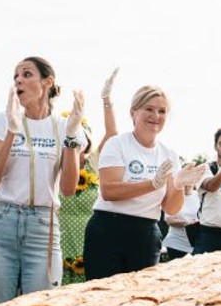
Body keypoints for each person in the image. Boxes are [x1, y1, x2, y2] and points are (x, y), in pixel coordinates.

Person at [0, 58, 83, 306]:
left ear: (47, 82)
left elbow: (68, 189)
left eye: (26, 74)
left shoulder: (64, 126)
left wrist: (71, 138)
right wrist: (12, 132)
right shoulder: (1, 121)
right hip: (2, 223)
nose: (18, 80)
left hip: (43, 227)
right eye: (15, 76)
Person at [83, 86, 204, 279]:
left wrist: (179, 186)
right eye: (149, 109)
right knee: (102, 296)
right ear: (133, 112)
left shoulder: (169, 155)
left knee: (139, 300)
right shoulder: (117, 144)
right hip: (108, 229)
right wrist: (152, 184)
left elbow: (171, 209)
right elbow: (109, 191)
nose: (155, 115)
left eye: (162, 111)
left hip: (145, 233)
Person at [161, 184, 200, 261]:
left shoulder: (199, 195)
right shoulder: (174, 197)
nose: (187, 185)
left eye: (190, 182)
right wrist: (186, 222)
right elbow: (169, 220)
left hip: (196, 242)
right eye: (185, 182)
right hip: (176, 244)